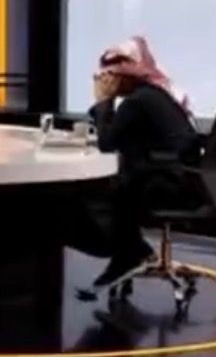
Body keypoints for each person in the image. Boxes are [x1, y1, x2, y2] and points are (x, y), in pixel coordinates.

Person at [86, 36, 201, 288]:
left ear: (126, 76)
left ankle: (131, 254)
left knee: (100, 194)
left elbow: (106, 142)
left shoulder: (137, 102)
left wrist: (102, 101)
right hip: (183, 178)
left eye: (109, 76)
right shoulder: (152, 95)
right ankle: (131, 253)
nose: (104, 81)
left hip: (168, 183)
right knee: (118, 185)